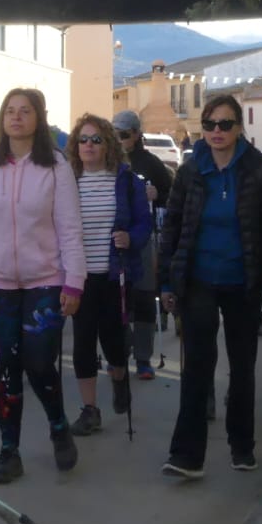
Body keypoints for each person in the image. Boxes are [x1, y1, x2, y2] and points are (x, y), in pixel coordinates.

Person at [158, 95, 262, 479]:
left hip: (244, 282)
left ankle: (242, 446)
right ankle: (187, 456)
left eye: (225, 123)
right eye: (210, 124)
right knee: (196, 368)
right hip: (199, 281)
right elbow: (172, 226)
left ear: (239, 128)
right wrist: (167, 279)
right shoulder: (191, 169)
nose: (216, 131)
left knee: (242, 368)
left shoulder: (259, 167)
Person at [0, 88, 85, 484]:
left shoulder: (56, 166)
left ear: (38, 118)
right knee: (8, 366)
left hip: (45, 281)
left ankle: (58, 425)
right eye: (9, 111)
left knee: (40, 362)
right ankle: (9, 450)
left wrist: (74, 282)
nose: (16, 118)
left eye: (24, 111)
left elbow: (69, 227)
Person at [66, 115, 152, 437]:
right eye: (83, 140)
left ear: (108, 145)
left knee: (115, 342)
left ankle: (119, 379)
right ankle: (90, 410)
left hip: (116, 276)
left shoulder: (127, 182)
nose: (88, 145)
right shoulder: (68, 181)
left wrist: (131, 238)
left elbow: (144, 222)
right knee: (83, 343)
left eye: (96, 139)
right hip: (80, 277)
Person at [112, 108, 172, 371]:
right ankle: (120, 352)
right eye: (114, 134)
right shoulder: (108, 162)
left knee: (145, 295)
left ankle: (144, 357)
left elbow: (171, 198)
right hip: (112, 238)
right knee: (117, 297)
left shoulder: (150, 163)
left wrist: (157, 193)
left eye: (123, 134)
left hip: (143, 237)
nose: (119, 139)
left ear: (136, 135)